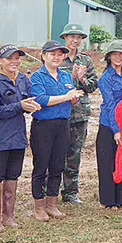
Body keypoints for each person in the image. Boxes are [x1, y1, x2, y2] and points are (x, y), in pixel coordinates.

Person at [0, 45, 41, 231]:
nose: (14, 62)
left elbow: (30, 100)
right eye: (9, 58)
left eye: (17, 58)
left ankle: (9, 216)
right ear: (0, 61)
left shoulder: (23, 79)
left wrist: (33, 106)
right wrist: (19, 106)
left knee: (13, 175)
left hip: (17, 136)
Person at [29, 40, 82, 221]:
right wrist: (65, 97)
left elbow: (69, 98)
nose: (56, 57)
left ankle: (52, 204)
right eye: (52, 54)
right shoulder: (37, 77)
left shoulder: (66, 76)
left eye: (60, 54)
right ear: (43, 55)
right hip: (43, 126)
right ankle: (39, 207)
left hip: (62, 125)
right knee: (41, 166)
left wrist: (72, 98)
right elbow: (41, 99)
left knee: (58, 165)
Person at [57, 23, 98, 205]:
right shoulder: (57, 57)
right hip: (58, 112)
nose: (75, 40)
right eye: (71, 36)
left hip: (79, 114)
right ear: (64, 38)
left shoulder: (85, 60)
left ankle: (70, 192)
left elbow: (93, 86)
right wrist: (71, 80)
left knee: (74, 154)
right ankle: (49, 191)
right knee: (55, 153)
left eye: (78, 37)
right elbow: (51, 83)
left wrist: (81, 79)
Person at [96, 40, 122, 209]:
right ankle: (108, 201)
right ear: (109, 57)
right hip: (108, 125)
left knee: (121, 161)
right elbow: (110, 105)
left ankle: (119, 198)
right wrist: (116, 130)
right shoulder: (105, 79)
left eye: (121, 54)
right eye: (115, 54)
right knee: (107, 162)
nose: (118, 57)